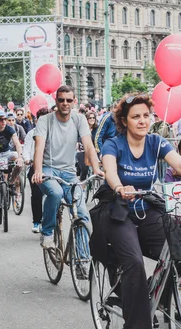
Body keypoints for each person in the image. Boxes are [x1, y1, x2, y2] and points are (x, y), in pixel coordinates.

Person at [90, 94, 181, 329]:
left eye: (146, 115)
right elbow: (110, 170)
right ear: (124, 121)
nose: (142, 121)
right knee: (134, 262)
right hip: (118, 210)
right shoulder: (114, 144)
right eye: (136, 116)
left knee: (179, 250)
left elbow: (180, 163)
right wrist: (119, 187)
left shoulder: (157, 143)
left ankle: (157, 298)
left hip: (147, 209)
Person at [32, 85, 103, 248]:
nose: (65, 103)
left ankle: (82, 262)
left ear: (74, 101)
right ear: (56, 100)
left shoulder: (79, 119)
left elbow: (89, 145)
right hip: (48, 170)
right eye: (61, 100)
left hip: (70, 173)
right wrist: (37, 171)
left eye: (69, 100)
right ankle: (47, 232)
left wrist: (96, 168)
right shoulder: (45, 120)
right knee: (55, 193)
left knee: (82, 214)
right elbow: (39, 148)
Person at [0, 110, 23, 220]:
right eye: (0, 119)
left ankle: (11, 181)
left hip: (6, 154)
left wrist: (20, 157)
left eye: (4, 119)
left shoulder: (9, 129)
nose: (3, 122)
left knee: (19, 162)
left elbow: (17, 143)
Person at [22, 108, 50, 233]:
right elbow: (26, 149)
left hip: (51, 167)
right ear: (36, 120)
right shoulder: (31, 133)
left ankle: (52, 220)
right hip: (34, 166)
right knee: (37, 194)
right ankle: (37, 221)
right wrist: (28, 159)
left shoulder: (54, 132)